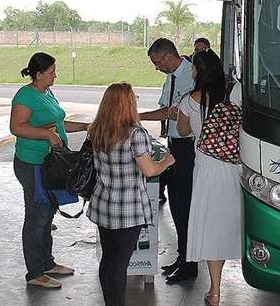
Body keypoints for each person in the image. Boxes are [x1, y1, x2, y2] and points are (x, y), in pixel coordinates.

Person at [87, 82, 175, 306]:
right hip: (128, 209)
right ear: (127, 104)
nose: (136, 99)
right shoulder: (136, 134)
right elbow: (149, 170)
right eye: (133, 97)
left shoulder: (96, 130)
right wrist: (168, 160)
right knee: (120, 263)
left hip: (103, 204)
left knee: (108, 261)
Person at [10, 52, 90, 288]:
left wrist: (85, 126)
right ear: (39, 73)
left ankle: (47, 262)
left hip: (49, 164)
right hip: (32, 163)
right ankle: (35, 272)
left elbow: (57, 123)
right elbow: (16, 127)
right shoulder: (26, 95)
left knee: (47, 215)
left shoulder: (47, 93)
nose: (55, 75)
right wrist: (47, 135)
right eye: (52, 71)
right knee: (36, 217)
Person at [176, 49, 242, 306]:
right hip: (232, 164)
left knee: (210, 224)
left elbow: (182, 131)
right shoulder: (233, 93)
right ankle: (218, 284)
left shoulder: (191, 100)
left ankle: (214, 291)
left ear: (197, 71)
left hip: (205, 166)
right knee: (226, 221)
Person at [139, 38, 197, 283]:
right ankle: (182, 257)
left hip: (190, 147)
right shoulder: (171, 77)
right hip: (174, 144)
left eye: (156, 62)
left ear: (166, 57)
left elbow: (171, 112)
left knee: (185, 206)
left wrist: (133, 116)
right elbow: (167, 110)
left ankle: (190, 264)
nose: (156, 67)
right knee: (176, 205)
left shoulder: (193, 75)